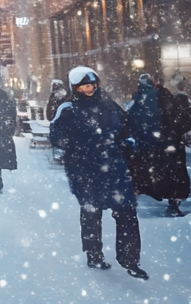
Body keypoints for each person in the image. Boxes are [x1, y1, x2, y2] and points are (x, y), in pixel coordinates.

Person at [50, 66, 147, 279]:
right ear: (75, 87)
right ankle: (94, 253)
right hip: (85, 170)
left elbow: (126, 127)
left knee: (126, 211)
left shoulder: (108, 104)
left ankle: (130, 259)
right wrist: (79, 146)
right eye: (85, 85)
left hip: (113, 167)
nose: (90, 89)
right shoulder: (67, 108)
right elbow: (57, 137)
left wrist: (127, 143)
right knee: (91, 212)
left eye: (93, 84)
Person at [128, 73, 191, 217]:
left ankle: (141, 198)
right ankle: (174, 204)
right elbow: (181, 118)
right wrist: (175, 134)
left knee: (150, 174)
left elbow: (130, 122)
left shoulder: (137, 100)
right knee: (174, 176)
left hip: (148, 145)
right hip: (169, 144)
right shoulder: (164, 97)